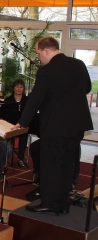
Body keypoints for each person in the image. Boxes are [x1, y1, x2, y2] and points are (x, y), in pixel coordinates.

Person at [13, 36, 92, 215]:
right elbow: (86, 87)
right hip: (77, 125)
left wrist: (22, 122)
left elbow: (35, 98)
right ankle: (63, 202)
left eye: (38, 53)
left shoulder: (47, 71)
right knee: (68, 163)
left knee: (51, 164)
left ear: (46, 50)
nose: (39, 57)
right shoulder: (78, 64)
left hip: (55, 125)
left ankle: (49, 202)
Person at [4, 79, 29, 167]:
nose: (19, 88)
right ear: (13, 88)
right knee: (7, 133)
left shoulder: (27, 100)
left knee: (24, 134)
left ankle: (20, 158)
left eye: (21, 87)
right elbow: (5, 115)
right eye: (17, 86)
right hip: (10, 125)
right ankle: (6, 156)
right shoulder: (8, 100)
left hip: (22, 125)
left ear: (23, 88)